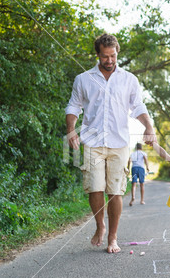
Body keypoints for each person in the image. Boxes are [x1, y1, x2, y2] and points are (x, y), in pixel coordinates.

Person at [65, 34, 157, 253]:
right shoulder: (84, 79)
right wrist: (71, 130)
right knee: (94, 188)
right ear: (97, 55)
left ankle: (113, 238)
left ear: (117, 52)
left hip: (119, 142)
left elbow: (138, 107)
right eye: (105, 56)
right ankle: (100, 226)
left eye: (113, 55)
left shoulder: (129, 80)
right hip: (93, 142)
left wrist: (149, 126)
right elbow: (73, 106)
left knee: (115, 191)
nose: (109, 60)